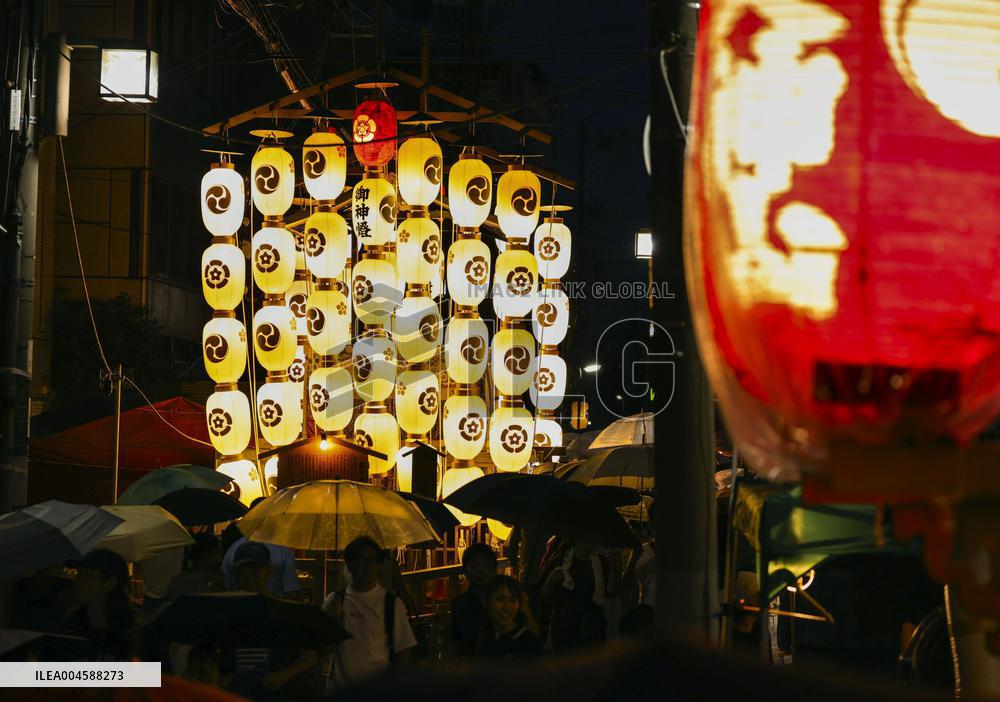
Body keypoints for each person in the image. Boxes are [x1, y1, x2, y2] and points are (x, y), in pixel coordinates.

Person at [227, 541, 320, 697]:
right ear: (235, 573)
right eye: (243, 570)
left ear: (268, 570)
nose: (248, 577)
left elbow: (309, 657)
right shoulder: (227, 611)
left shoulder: (285, 610)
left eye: (255, 570)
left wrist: (281, 676)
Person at [324, 536, 417, 692]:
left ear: (379, 566)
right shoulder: (334, 601)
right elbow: (323, 649)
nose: (365, 566)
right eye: (359, 559)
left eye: (371, 560)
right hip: (339, 690)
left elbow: (403, 650)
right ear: (349, 565)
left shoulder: (391, 604)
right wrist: (334, 619)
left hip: (376, 692)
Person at [63, 549, 140, 660]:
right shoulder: (70, 626)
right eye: (78, 573)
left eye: (88, 574)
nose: (78, 580)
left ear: (110, 584)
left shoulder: (132, 631)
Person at [222, 499, 300, 596]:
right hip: (272, 608)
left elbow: (226, 586)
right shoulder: (283, 551)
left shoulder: (234, 548)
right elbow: (291, 592)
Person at [472, 576, 542, 660]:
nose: (507, 607)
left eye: (512, 600)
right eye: (500, 600)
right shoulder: (484, 636)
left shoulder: (527, 641)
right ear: (486, 602)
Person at [451, 543, 498, 659]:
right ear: (465, 571)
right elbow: (455, 641)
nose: (481, 572)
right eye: (475, 567)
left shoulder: (506, 601)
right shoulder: (460, 604)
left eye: (486, 566)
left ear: (494, 569)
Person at [168, 533, 223, 599]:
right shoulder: (211, 582)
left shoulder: (176, 581)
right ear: (205, 556)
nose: (218, 559)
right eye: (216, 554)